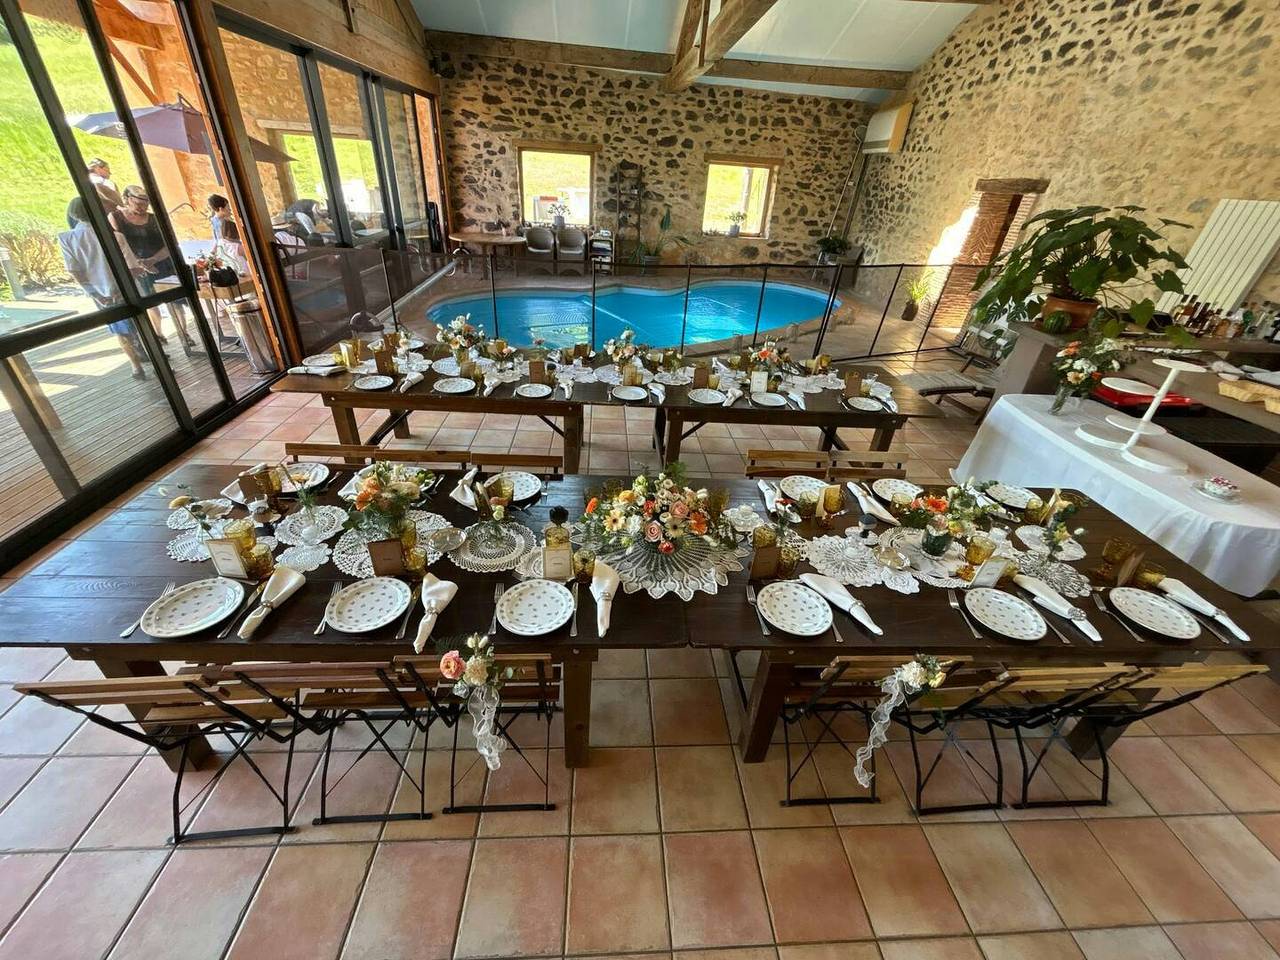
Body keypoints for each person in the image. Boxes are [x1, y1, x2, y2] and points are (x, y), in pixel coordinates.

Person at [58, 197, 146, 380]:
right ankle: (145, 354)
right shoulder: (115, 237)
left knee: (119, 329)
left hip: (100, 292)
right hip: (124, 290)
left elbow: (76, 272)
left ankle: (136, 366)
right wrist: (121, 288)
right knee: (138, 323)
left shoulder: (67, 239)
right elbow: (134, 269)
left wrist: (96, 294)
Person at [109, 185, 196, 351]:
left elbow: (169, 244)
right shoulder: (116, 217)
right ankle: (158, 334)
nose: (142, 208)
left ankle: (183, 333)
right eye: (138, 204)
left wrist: (153, 260)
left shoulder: (154, 219)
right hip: (137, 266)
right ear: (127, 200)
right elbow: (119, 244)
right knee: (149, 301)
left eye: (145, 204)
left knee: (174, 299)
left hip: (162, 262)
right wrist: (138, 263)